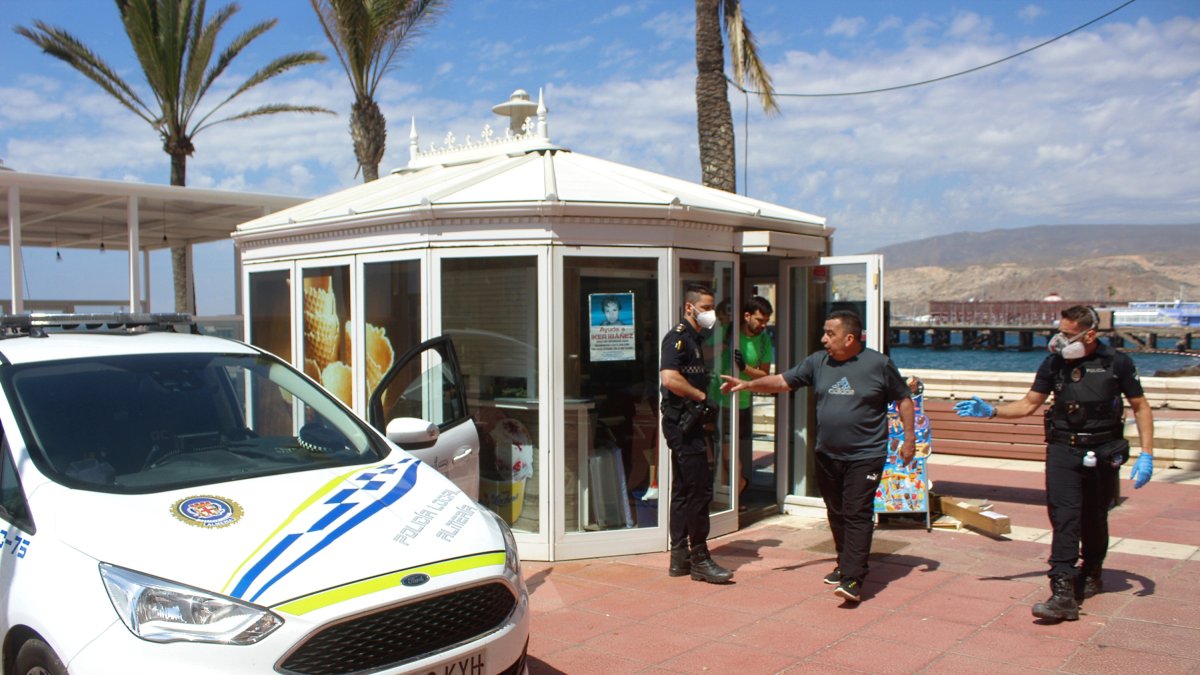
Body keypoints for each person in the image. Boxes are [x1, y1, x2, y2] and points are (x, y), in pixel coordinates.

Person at [954, 305, 1155, 623]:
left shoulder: (1117, 362)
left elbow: (1141, 406)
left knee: (1094, 516)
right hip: (1063, 450)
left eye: (1067, 333)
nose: (1059, 339)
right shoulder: (1054, 363)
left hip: (1103, 450)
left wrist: (1147, 452)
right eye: (1059, 331)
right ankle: (1062, 590)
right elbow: (1030, 403)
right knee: (1064, 518)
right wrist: (993, 411)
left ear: (1090, 334)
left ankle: (1092, 571)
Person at [721, 309, 914, 603]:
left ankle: (853, 578)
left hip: (866, 454)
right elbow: (783, 382)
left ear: (850, 338)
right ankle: (844, 562)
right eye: (824, 333)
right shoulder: (817, 362)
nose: (824, 339)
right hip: (827, 453)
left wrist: (909, 439)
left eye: (830, 334)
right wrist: (748, 384)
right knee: (836, 512)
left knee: (857, 512)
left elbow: (904, 398)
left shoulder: (878, 364)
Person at [660, 283, 733, 583]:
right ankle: (700, 557)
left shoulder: (695, 339)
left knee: (682, 491)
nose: (709, 314)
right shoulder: (677, 339)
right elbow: (670, 377)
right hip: (682, 425)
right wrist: (701, 398)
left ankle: (680, 558)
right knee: (699, 490)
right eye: (705, 307)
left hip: (688, 424)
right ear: (689, 307)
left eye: (711, 308)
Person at [709, 296, 774, 509]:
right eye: (759, 319)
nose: (763, 325)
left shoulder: (764, 341)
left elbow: (763, 374)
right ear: (747, 316)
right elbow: (703, 352)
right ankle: (731, 493)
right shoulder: (728, 332)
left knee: (728, 452)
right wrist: (720, 350)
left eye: (766, 321)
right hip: (717, 399)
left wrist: (744, 367)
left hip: (741, 402)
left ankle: (731, 494)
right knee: (722, 452)